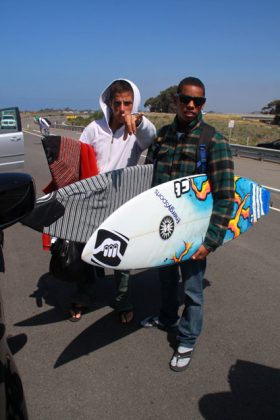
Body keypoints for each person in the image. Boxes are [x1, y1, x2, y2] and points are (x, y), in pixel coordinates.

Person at [141, 77, 235, 371]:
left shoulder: (213, 141)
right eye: (186, 99)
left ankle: (187, 338)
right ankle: (167, 317)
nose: (192, 105)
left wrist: (211, 241)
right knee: (166, 280)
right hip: (164, 229)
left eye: (198, 101)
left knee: (193, 291)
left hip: (194, 234)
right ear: (176, 101)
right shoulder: (163, 137)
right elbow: (147, 180)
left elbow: (225, 196)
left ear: (203, 103)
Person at [79, 79, 156, 323]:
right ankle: (83, 297)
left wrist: (140, 121)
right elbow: (79, 160)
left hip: (123, 203)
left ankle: (123, 301)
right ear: (109, 104)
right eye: (118, 103)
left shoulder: (137, 131)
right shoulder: (93, 129)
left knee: (122, 256)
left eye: (128, 103)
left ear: (134, 104)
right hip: (92, 200)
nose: (122, 109)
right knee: (86, 251)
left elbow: (151, 136)